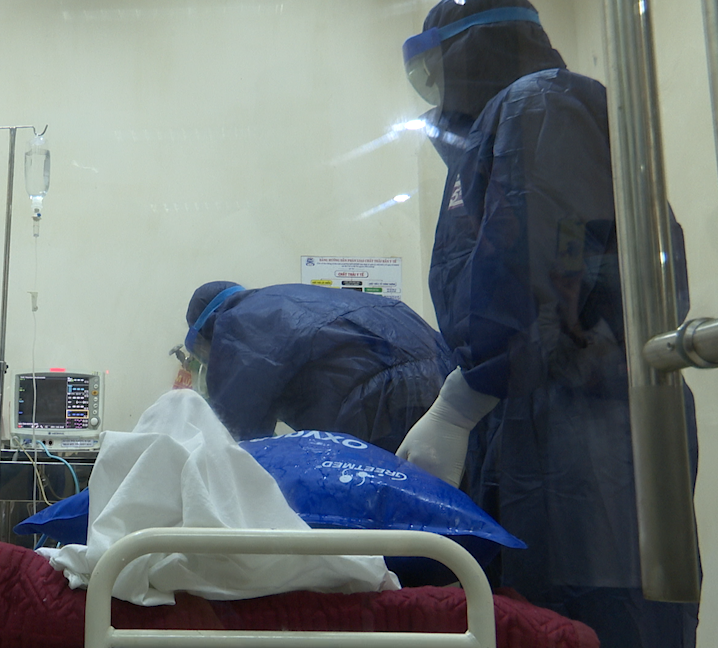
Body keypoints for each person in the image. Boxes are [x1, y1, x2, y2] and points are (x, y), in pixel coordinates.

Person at [395, 2, 699, 646]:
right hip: (539, 421)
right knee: (534, 615)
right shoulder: (510, 123)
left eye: (438, 68)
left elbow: (537, 278)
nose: (436, 90)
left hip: (588, 437)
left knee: (599, 616)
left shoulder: (540, 107)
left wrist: (459, 403)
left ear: (472, 51)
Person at [183, 281, 454, 452]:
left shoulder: (234, 324)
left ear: (207, 330)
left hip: (384, 398)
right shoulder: (285, 298)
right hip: (446, 372)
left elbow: (236, 437)